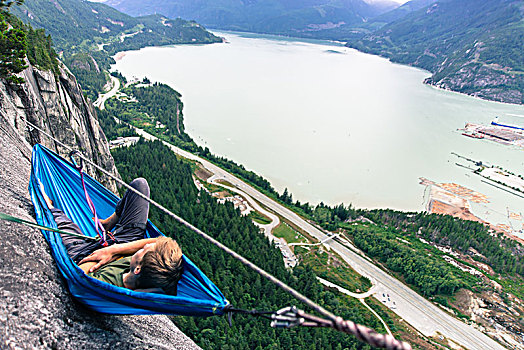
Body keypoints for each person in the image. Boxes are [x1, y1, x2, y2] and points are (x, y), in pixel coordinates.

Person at [42, 178, 183, 295]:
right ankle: (109, 223)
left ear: (138, 269)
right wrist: (114, 251)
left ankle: (49, 206)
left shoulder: (106, 281)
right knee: (139, 186)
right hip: (122, 241)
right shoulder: (152, 272)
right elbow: (157, 241)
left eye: (144, 249)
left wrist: (105, 253)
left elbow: (79, 276)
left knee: (51, 211)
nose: (144, 244)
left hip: (84, 253)